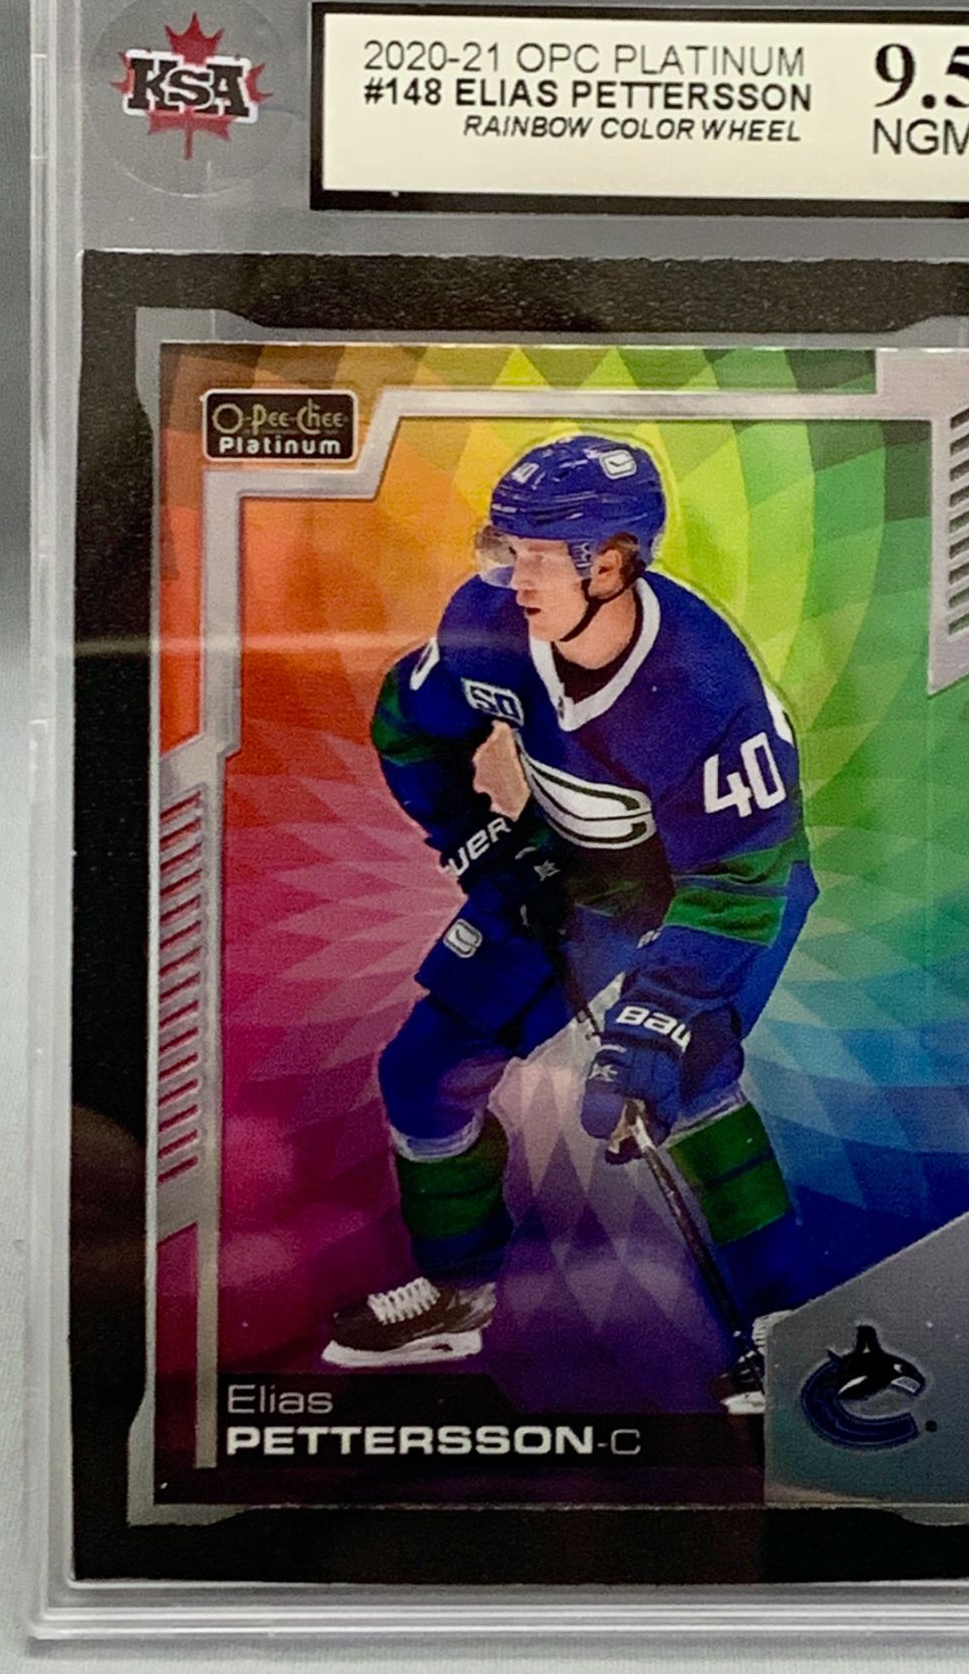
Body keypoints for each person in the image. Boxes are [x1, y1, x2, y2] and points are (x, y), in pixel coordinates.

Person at [323, 434, 818, 1409]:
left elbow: (740, 878)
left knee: (683, 1075)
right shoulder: (487, 626)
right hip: (574, 864)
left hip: (722, 889)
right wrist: (474, 842)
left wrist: (652, 1022)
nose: (514, 578)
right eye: (506, 549)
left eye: (541, 557)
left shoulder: (703, 688)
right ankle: (457, 1293)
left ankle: (781, 1325)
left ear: (614, 563)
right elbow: (407, 726)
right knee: (423, 1073)